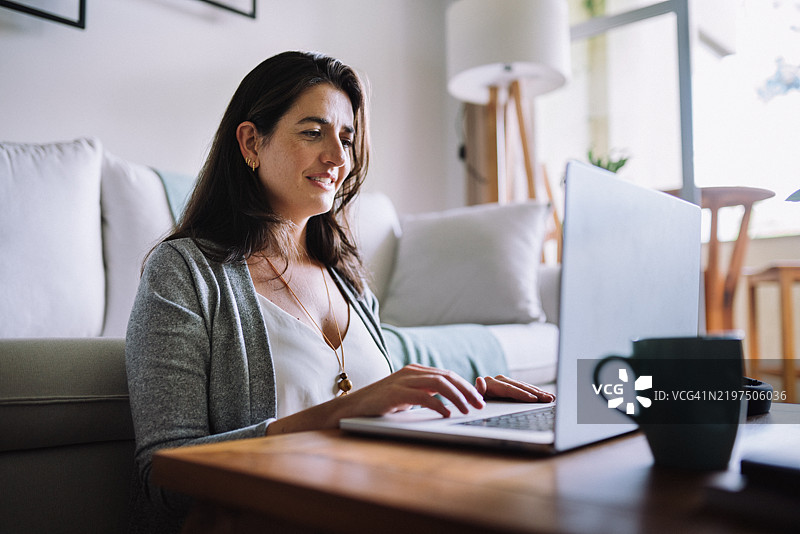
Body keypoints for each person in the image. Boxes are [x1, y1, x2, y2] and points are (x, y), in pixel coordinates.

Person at [125, 50, 554, 532]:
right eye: (313, 132)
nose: (337, 157)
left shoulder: (347, 279)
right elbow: (161, 478)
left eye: (346, 138)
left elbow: (377, 420)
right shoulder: (185, 272)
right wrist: (340, 412)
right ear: (251, 142)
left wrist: (460, 404)